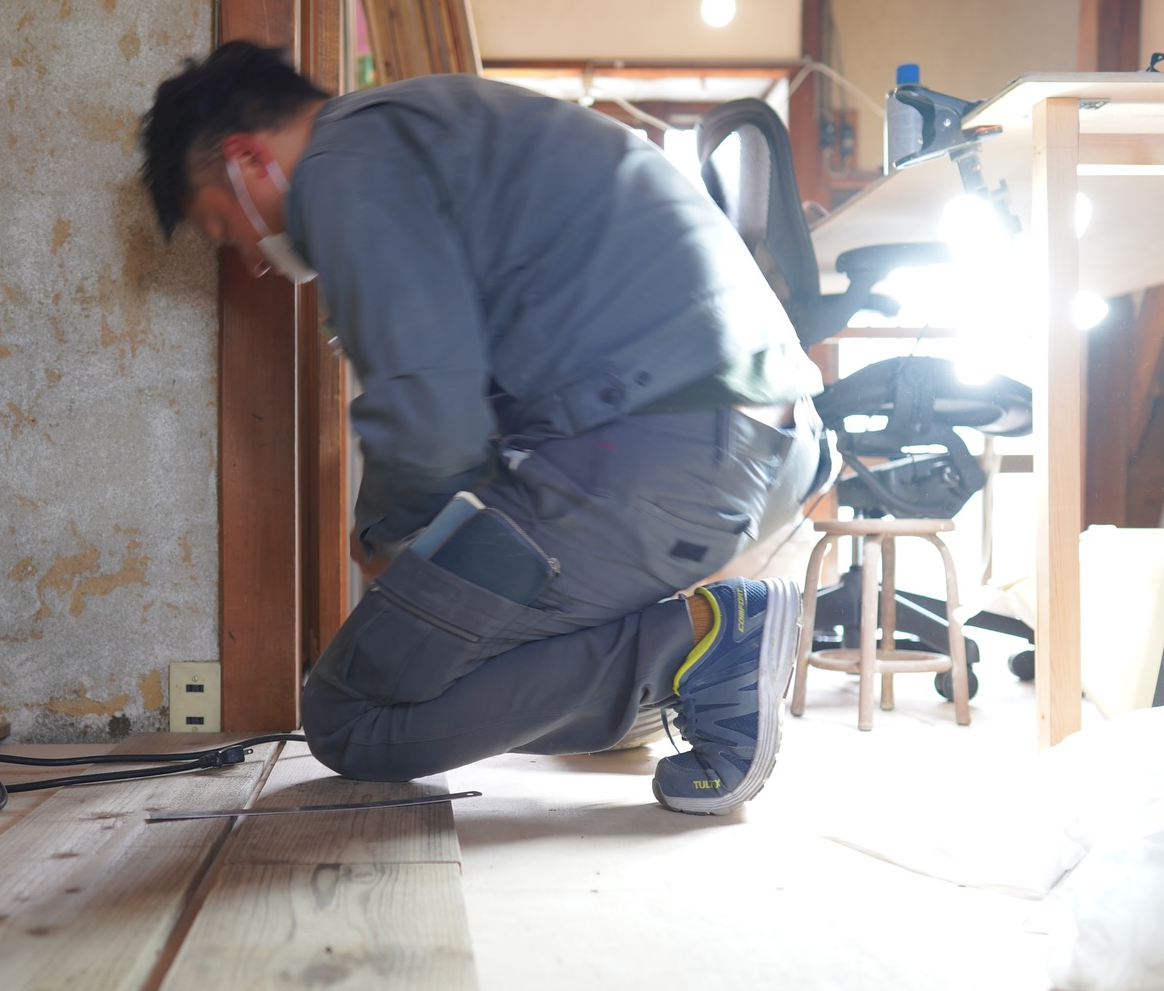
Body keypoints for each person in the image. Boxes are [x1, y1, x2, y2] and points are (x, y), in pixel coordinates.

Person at [141, 41, 832, 814]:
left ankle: (701, 650)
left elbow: (428, 405)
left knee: (349, 716)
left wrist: (394, 541)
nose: (251, 260)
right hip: (762, 444)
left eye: (221, 224)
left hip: (668, 454)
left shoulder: (347, 164)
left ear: (246, 157)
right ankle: (660, 687)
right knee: (461, 637)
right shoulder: (426, 127)